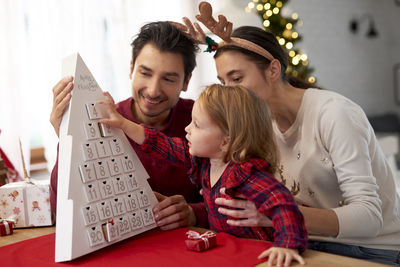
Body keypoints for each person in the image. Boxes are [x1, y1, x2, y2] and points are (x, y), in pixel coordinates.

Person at [200, 20, 400, 266]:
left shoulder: (335, 114)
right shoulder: (260, 125)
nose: (229, 93)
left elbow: (369, 218)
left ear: (273, 70)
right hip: (300, 244)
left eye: (237, 79)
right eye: (223, 83)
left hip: (369, 250)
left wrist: (275, 215)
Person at [98, 84, 308, 267]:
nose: (187, 129)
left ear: (225, 141)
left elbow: (284, 205)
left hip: (256, 254)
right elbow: (161, 144)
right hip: (226, 253)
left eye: (197, 125)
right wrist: (123, 124)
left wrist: (287, 246)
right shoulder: (203, 163)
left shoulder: (247, 176)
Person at [49, 21, 210, 230]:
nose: (153, 91)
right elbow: (61, 211)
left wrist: (194, 213)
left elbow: (237, 197)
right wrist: (67, 138)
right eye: (145, 73)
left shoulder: (206, 120)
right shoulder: (101, 121)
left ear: (186, 81)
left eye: (168, 79)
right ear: (131, 68)